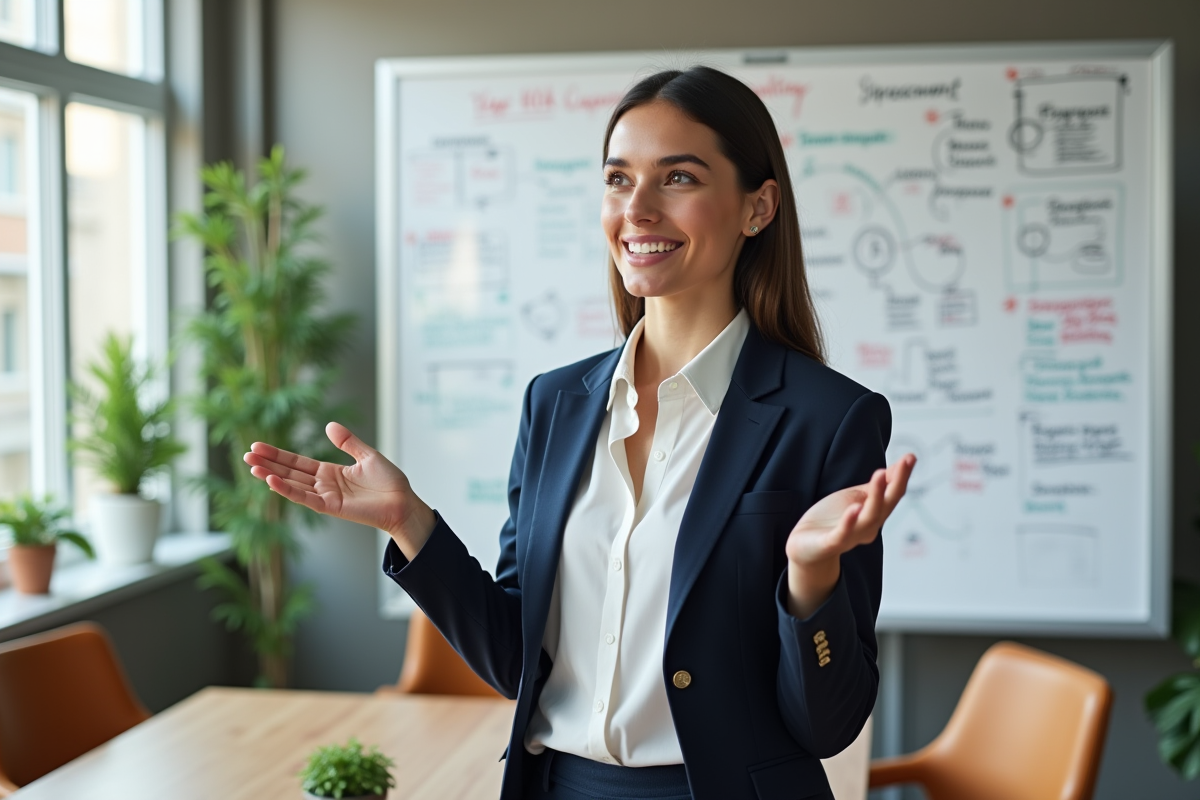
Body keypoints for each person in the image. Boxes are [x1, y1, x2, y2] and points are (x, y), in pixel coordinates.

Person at [244, 65, 915, 800]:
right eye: (618, 180)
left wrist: (808, 578)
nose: (639, 209)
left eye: (679, 179)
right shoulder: (556, 402)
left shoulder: (829, 418)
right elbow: (516, 659)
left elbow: (831, 725)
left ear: (758, 208)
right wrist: (410, 524)